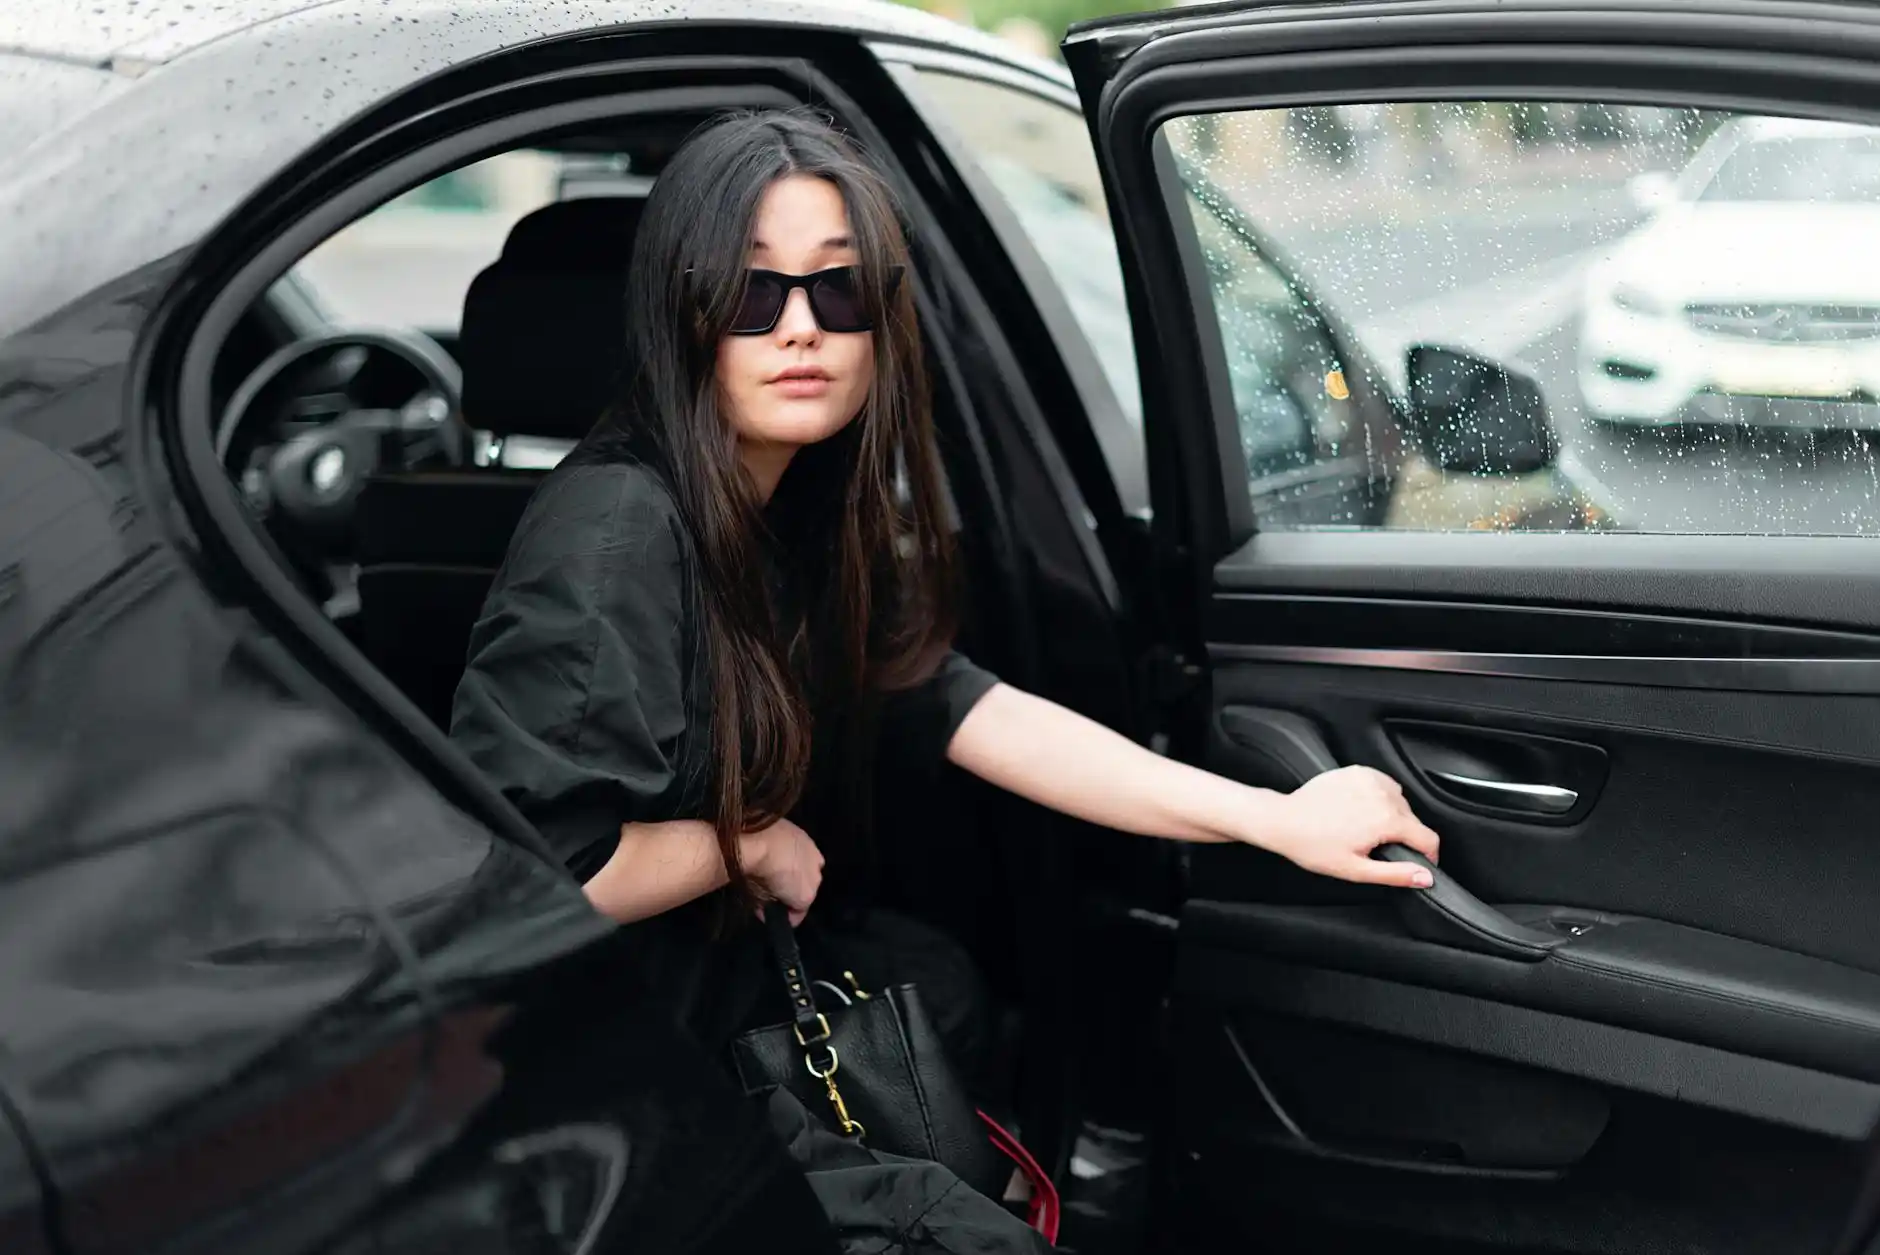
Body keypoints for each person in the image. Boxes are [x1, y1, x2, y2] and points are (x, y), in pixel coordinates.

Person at [450, 108, 1439, 1250]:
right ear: (682, 312)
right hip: (608, 1087)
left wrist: (1271, 817)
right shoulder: (618, 528)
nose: (799, 329)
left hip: (705, 1008)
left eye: (839, 289)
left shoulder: (777, 513)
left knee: (938, 984)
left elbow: (966, 706)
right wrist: (751, 842)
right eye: (748, 292)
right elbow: (538, 884)